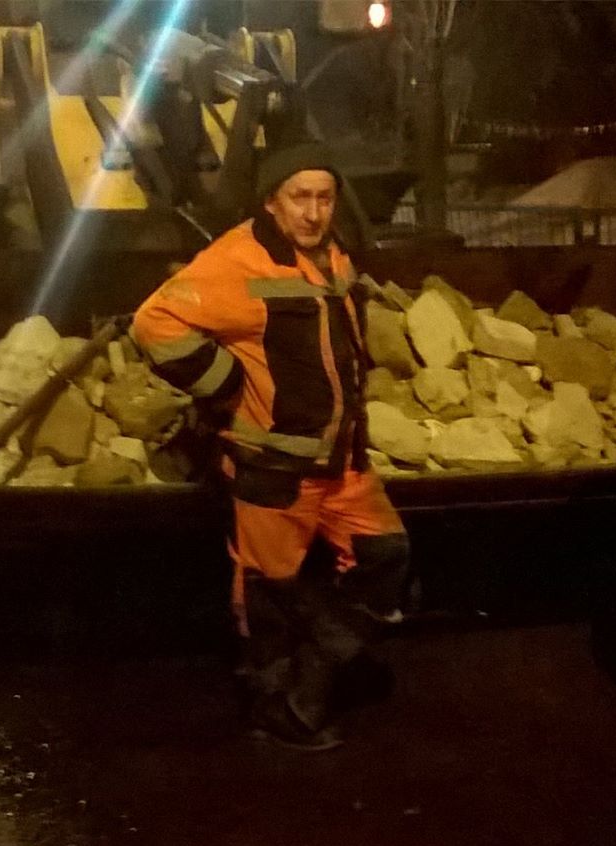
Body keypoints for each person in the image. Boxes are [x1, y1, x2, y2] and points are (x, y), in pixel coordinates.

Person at [132, 142, 410, 751]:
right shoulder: (236, 261)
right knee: (269, 593)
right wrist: (225, 384)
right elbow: (154, 323)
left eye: (324, 198)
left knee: (386, 556)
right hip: (275, 466)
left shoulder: (330, 253)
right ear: (271, 201)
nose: (313, 212)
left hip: (341, 461)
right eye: (299, 197)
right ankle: (278, 705)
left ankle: (323, 658)